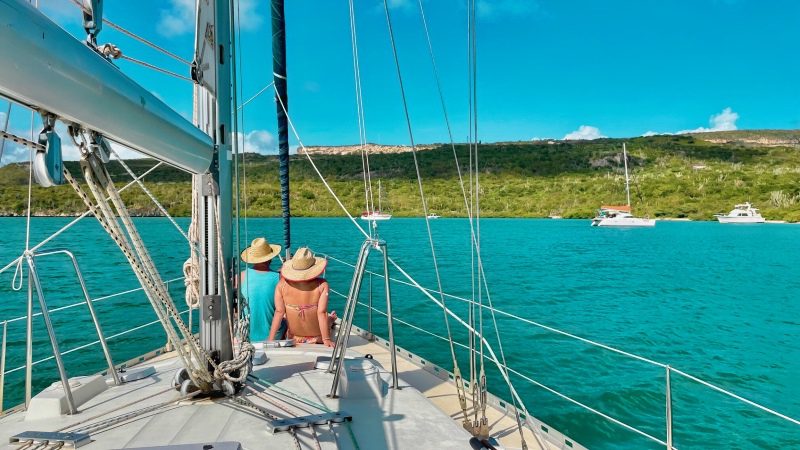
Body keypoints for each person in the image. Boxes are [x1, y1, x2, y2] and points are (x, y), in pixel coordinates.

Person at [268, 247, 334, 347]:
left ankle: (330, 319)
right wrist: (326, 339)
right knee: (327, 318)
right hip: (317, 338)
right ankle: (331, 319)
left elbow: (279, 312)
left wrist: (271, 339)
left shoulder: (281, 285)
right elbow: (321, 312)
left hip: (294, 338)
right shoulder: (322, 285)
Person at [239, 237, 285, 342]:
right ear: (270, 258)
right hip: (272, 337)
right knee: (286, 320)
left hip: (246, 336)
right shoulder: (279, 278)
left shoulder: (241, 276)